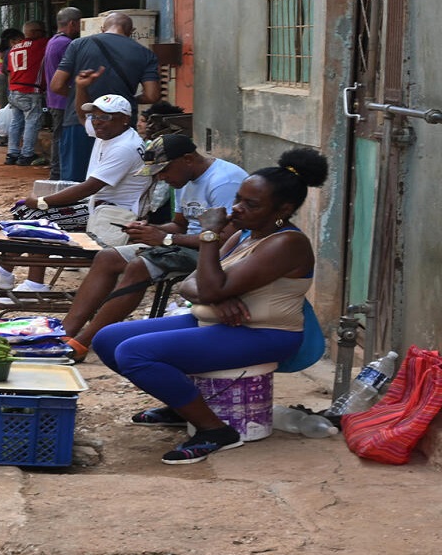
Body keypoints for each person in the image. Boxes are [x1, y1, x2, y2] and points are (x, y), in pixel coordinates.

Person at [92, 148, 328, 464]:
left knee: (134, 353)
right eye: (239, 199)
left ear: (282, 209)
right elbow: (190, 284)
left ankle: (215, 430)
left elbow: (208, 284)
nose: (237, 208)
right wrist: (218, 293)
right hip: (216, 321)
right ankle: (182, 405)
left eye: (251, 204)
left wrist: (209, 239)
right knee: (107, 339)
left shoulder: (286, 243)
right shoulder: (245, 234)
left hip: (264, 333)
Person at [59, 134, 248, 359]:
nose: (161, 178)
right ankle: (64, 333)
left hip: (220, 255)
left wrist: (165, 239)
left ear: (187, 159)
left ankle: (83, 342)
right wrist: (149, 230)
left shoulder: (224, 181)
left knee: (140, 265)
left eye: (164, 171)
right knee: (107, 258)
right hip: (189, 245)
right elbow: (179, 225)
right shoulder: (183, 179)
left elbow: (226, 239)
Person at [0, 79, 148, 294]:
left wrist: (41, 202)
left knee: (40, 218)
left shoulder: (124, 146)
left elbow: (89, 188)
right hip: (99, 206)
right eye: (94, 116)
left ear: (124, 119)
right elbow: (80, 115)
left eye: (104, 116)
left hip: (114, 215)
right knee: (25, 211)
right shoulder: (110, 131)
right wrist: (81, 88)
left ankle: (34, 284)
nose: (96, 122)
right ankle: (4, 272)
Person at [50, 12, 161, 182]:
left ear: (102, 28)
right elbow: (152, 95)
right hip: (120, 124)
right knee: (113, 181)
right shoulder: (145, 54)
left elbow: (56, 85)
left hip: (80, 122)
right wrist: (127, 101)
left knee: (74, 181)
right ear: (131, 31)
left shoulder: (78, 45)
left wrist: (80, 95)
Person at [43, 7, 82, 180]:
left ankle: (56, 172)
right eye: (80, 24)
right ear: (72, 24)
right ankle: (58, 173)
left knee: (58, 137)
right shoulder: (67, 44)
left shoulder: (53, 41)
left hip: (55, 98)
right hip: (64, 99)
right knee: (63, 138)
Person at [5, 20, 49, 166]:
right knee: (32, 122)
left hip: (14, 90)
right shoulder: (41, 44)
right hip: (29, 90)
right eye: (42, 31)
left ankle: (12, 153)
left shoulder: (14, 48)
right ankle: (26, 154)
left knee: (16, 122)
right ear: (36, 32)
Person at [0, 28, 24, 116]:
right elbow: (5, 69)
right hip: (3, 81)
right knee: (9, 112)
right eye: (21, 39)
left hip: (1, 80)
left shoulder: (5, 51)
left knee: (8, 112)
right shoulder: (11, 51)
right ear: (12, 41)